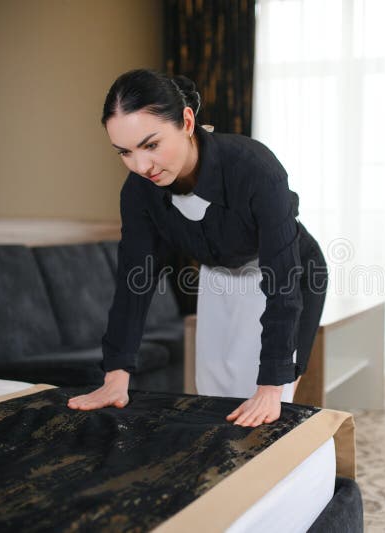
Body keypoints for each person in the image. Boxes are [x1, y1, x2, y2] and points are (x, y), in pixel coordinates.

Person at [67, 69, 328, 428]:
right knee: (215, 398)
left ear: (187, 121)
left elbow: (282, 284)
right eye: (125, 152)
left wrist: (271, 386)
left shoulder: (255, 169)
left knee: (268, 403)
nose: (141, 166)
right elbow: (134, 282)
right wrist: (116, 373)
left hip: (289, 272)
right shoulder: (139, 192)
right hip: (218, 272)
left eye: (151, 145)